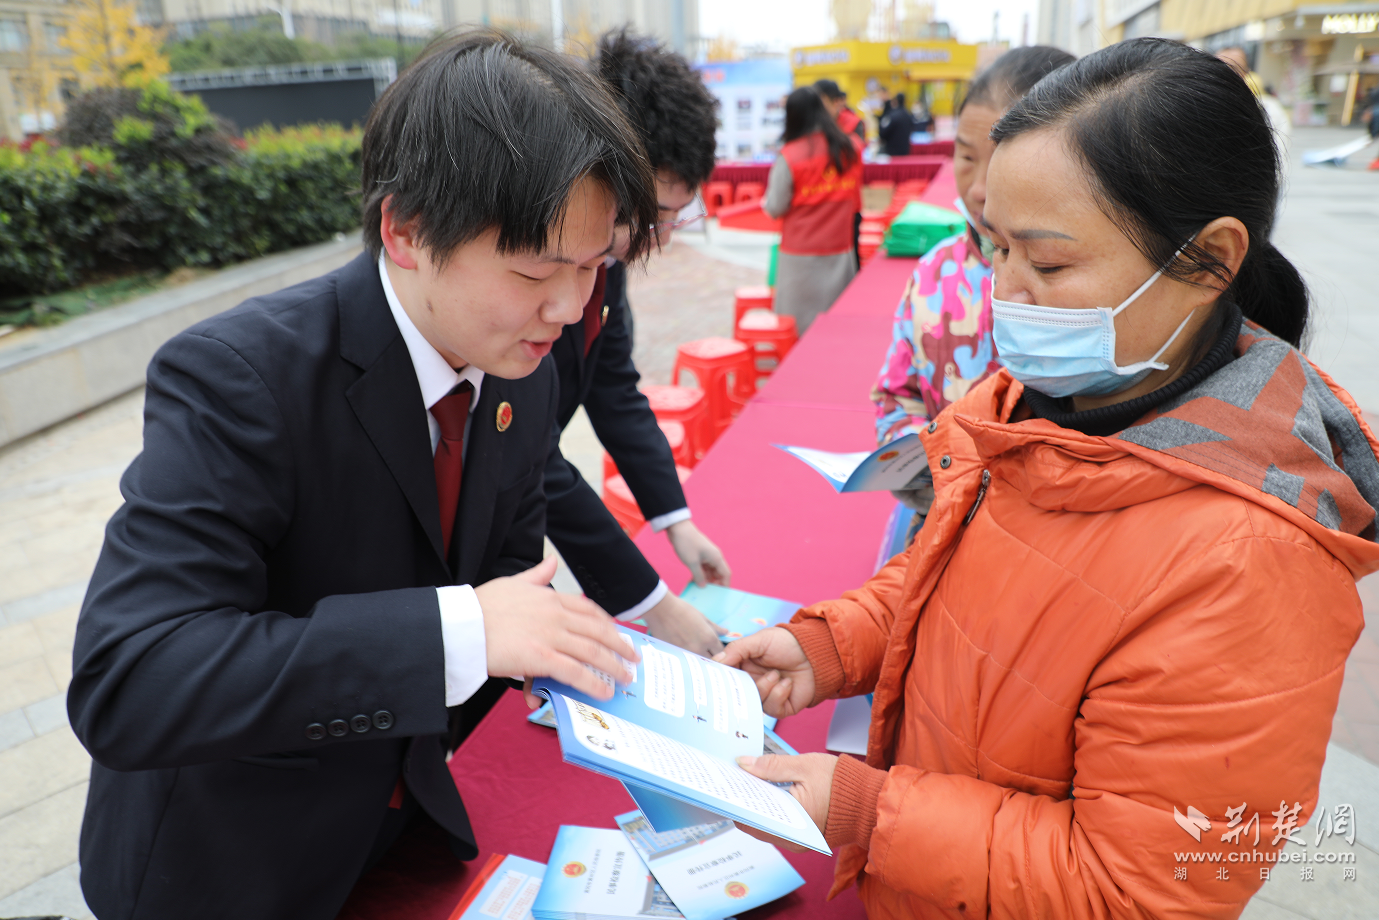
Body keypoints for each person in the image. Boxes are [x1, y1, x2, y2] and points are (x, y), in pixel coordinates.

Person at [721, 38, 1379, 919]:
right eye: (995, 249)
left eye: (1049, 264)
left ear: (1209, 260)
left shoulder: (1247, 562)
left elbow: (1139, 889)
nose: (1006, 292)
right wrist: (832, 646)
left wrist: (868, 812)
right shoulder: (1027, 405)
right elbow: (954, 580)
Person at [68, 31, 659, 920]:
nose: (569, 308)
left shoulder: (518, 371)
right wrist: (457, 633)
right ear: (406, 229)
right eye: (536, 268)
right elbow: (132, 678)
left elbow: (505, 578)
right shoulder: (241, 377)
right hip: (233, 866)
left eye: (592, 267)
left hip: (404, 831)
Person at [544, 28, 731, 657]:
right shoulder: (536, 272)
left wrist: (676, 523)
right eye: (657, 215)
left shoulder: (608, 260)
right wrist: (654, 604)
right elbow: (527, 453)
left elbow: (614, 391)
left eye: (680, 215)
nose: (666, 236)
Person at [872, 47, 1075, 527]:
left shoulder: (1082, 287)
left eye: (1002, 158)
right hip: (940, 521)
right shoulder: (932, 272)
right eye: (965, 156)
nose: (979, 187)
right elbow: (895, 393)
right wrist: (912, 459)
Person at [763, 87, 864, 333]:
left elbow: (775, 207)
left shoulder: (790, 156)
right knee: (837, 326)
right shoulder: (851, 149)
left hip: (800, 257)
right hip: (840, 250)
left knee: (799, 328)